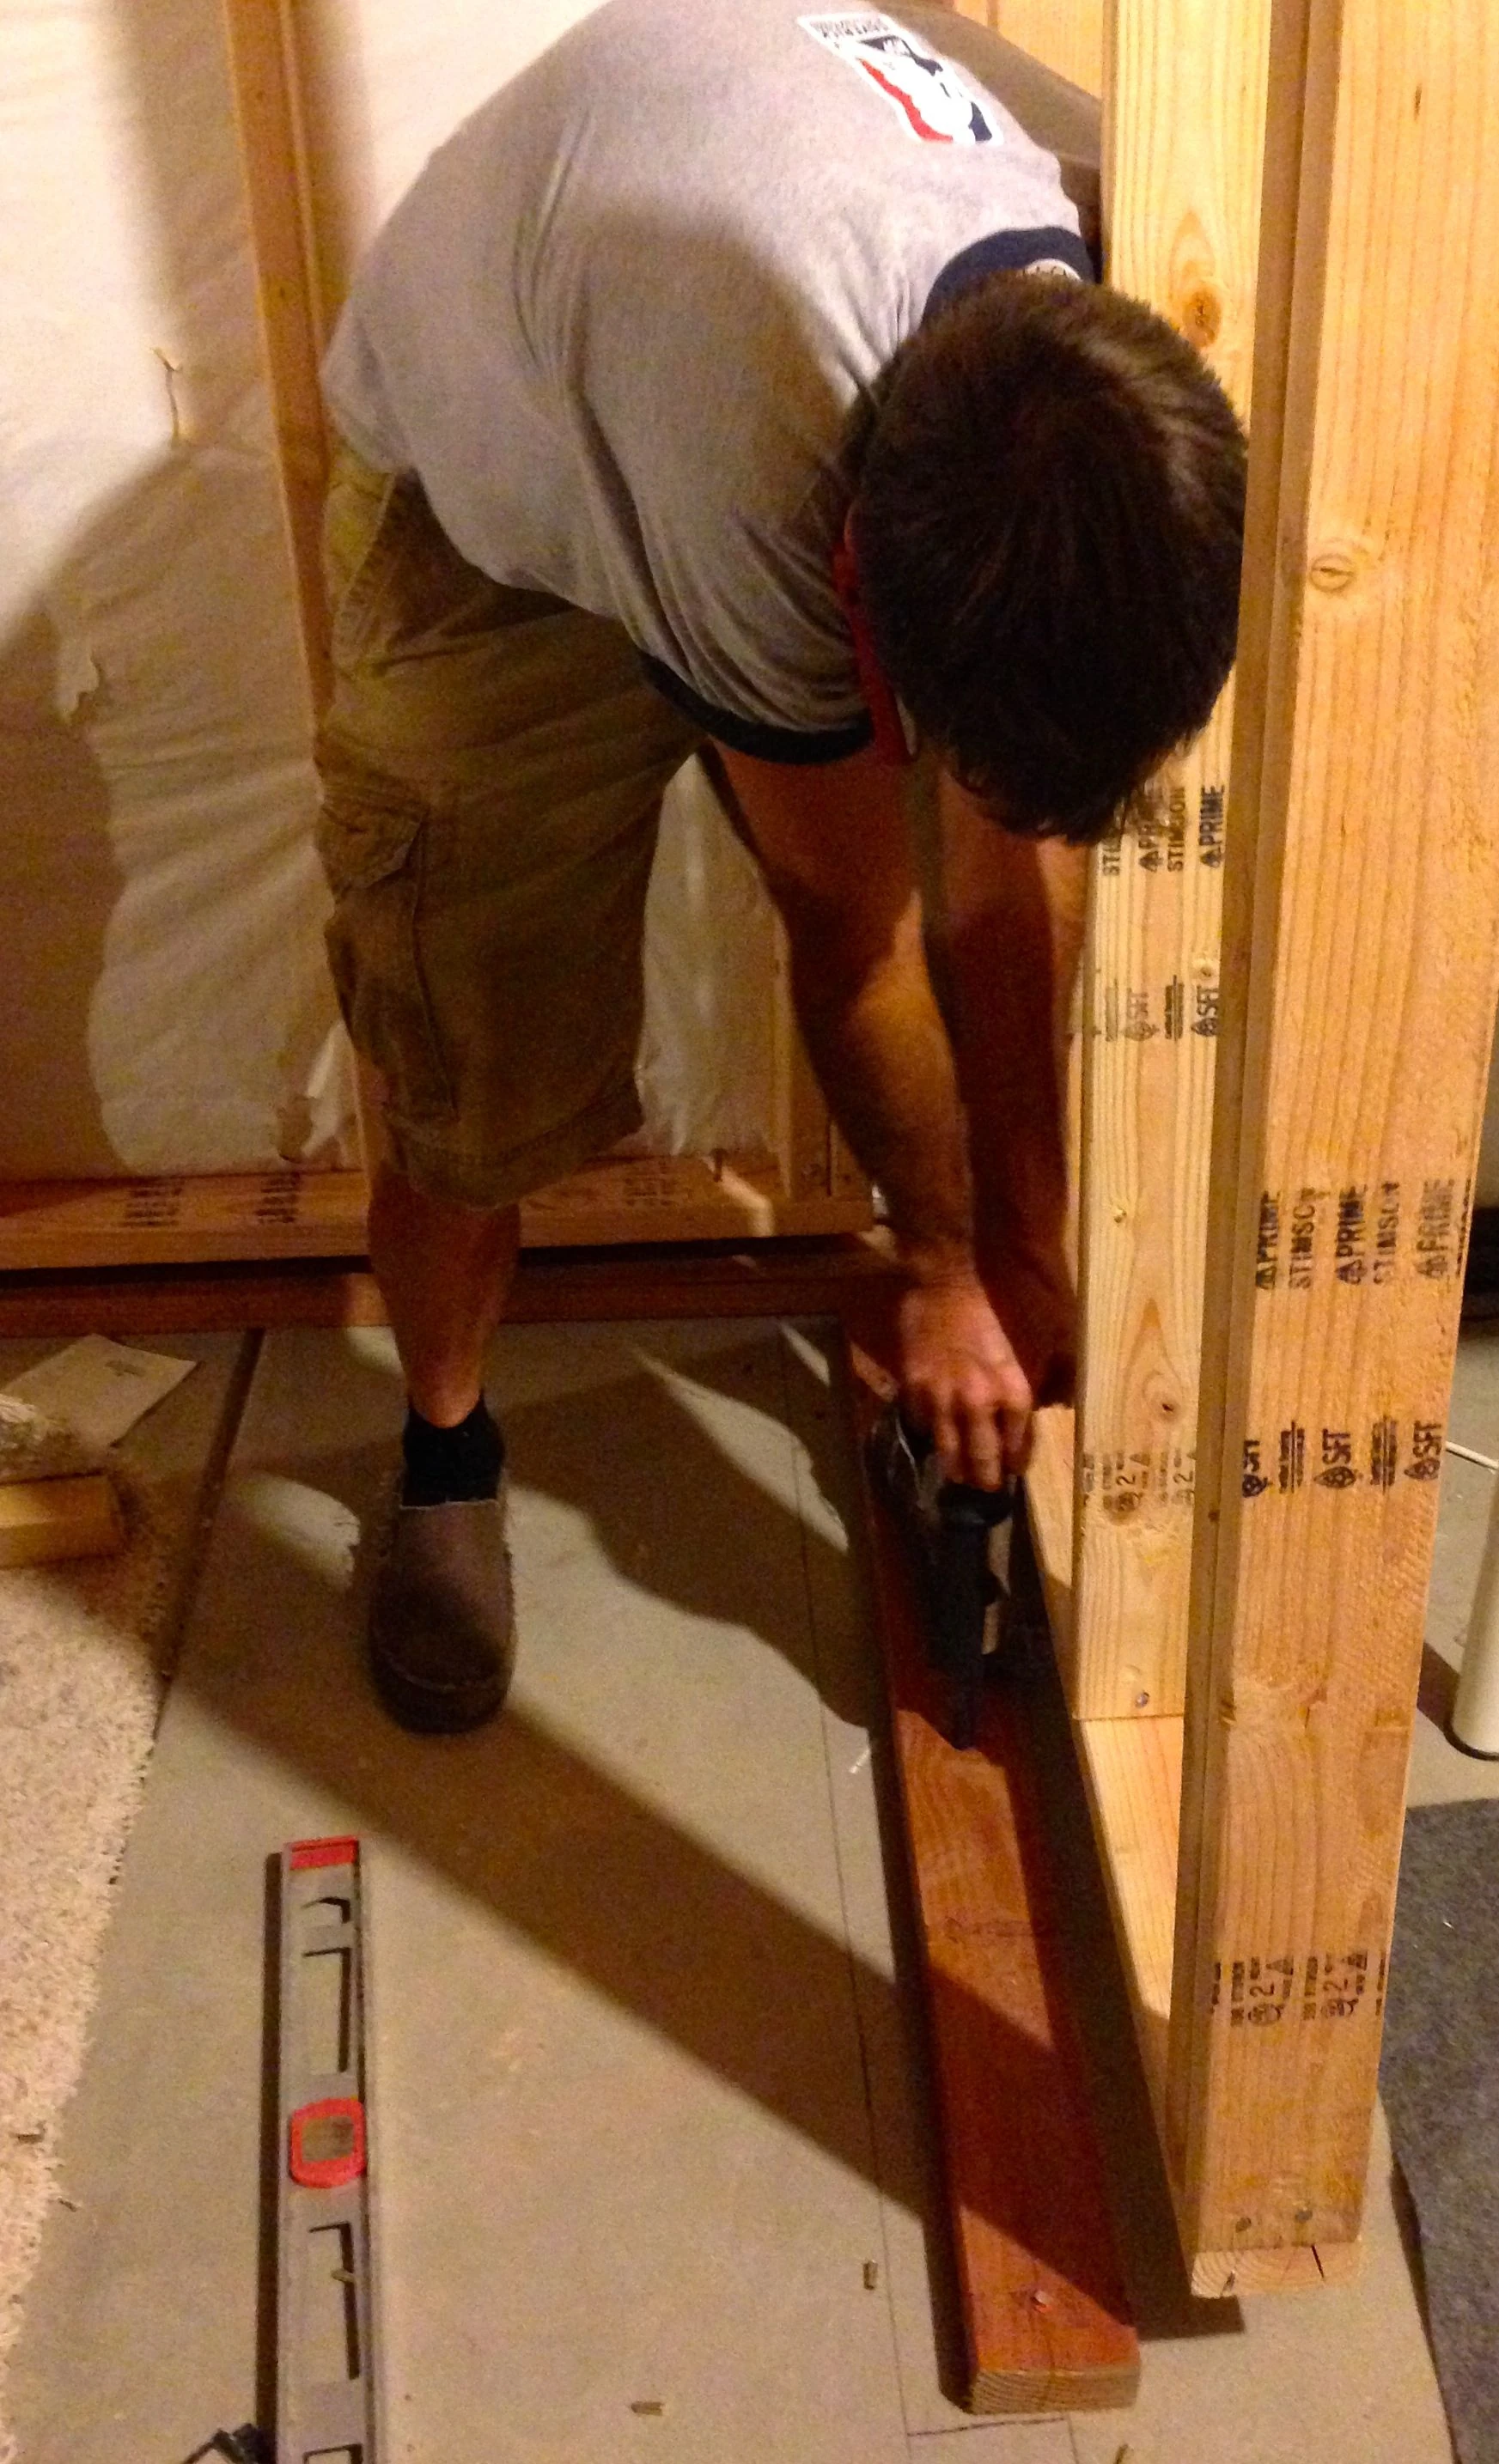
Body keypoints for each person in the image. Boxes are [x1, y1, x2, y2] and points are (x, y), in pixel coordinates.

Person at [314, 0, 1246, 1732]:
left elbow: (999, 869)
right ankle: (445, 1441)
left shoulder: (1119, 363)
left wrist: (1025, 1253)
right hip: (496, 479)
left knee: (982, 890)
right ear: (858, 593)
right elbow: (859, 930)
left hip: (694, 327)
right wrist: (944, 1268)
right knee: (474, 1060)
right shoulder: (757, 452)